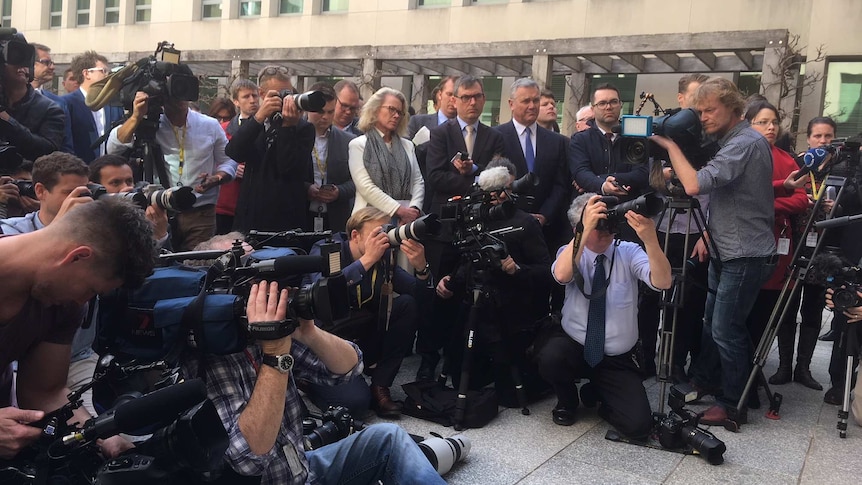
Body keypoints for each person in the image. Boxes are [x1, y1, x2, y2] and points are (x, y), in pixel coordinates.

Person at [180, 280, 445, 484]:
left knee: (388, 437)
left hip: (299, 469)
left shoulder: (258, 336)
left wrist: (308, 332)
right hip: (269, 479)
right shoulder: (206, 358)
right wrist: (276, 354)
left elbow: (350, 368)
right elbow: (250, 456)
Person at [650, 77, 776, 427]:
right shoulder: (732, 140)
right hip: (727, 247)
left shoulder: (746, 142)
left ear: (733, 109)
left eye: (710, 110)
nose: (703, 117)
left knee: (726, 328)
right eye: (699, 110)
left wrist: (668, 143)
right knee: (712, 323)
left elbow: (694, 185)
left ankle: (733, 402)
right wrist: (708, 234)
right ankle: (708, 380)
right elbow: (725, 195)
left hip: (744, 253)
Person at [0, 195, 157, 460]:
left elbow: (44, 392)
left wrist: (102, 438)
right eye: (90, 290)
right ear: (78, 257)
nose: (84, 301)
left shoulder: (63, 305)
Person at [536, 193, 671, 438]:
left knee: (638, 426)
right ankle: (567, 400)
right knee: (549, 356)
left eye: (608, 223)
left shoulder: (627, 252)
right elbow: (562, 276)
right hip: (575, 345)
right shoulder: (570, 250)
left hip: (617, 357)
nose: (606, 230)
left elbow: (662, 282)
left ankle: (599, 393)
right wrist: (584, 231)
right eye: (598, 226)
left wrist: (650, 240)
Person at [435, 160, 553, 405]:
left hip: (512, 312)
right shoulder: (472, 218)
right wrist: (449, 280)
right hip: (476, 307)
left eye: (503, 190)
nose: (497, 198)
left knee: (511, 396)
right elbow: (463, 256)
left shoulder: (525, 222)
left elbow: (546, 272)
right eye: (490, 193)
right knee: (464, 382)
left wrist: (517, 270)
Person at [304, 207, 434, 417]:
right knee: (356, 404)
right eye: (377, 233)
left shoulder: (384, 259)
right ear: (355, 235)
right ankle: (308, 380)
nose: (383, 238)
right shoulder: (327, 250)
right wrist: (366, 262)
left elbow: (421, 299)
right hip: (326, 342)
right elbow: (319, 294)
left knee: (407, 305)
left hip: (361, 337)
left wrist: (422, 269)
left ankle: (380, 385)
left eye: (387, 231)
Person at [106, 64, 238, 251]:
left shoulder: (209, 125)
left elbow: (228, 160)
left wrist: (218, 178)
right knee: (159, 260)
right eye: (174, 87)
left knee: (196, 264)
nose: (180, 96)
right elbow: (113, 148)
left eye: (184, 87)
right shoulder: (149, 124)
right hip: (159, 209)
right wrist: (136, 117)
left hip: (200, 212)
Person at [638, 73, 711, 381]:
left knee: (690, 302)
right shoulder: (662, 131)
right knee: (650, 296)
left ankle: (677, 361)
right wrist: (666, 172)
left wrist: (709, 233)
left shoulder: (711, 139)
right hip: (660, 227)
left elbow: (719, 191)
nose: (699, 108)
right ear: (681, 99)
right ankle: (643, 357)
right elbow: (645, 177)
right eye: (694, 99)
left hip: (698, 227)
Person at [739, 101, 814, 391]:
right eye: (762, 122)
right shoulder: (741, 155)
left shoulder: (786, 158)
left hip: (778, 241)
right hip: (743, 243)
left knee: (766, 311)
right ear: (748, 124)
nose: (771, 127)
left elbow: (801, 200)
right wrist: (776, 200)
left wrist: (766, 205)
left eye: (774, 122)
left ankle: (755, 367)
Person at [225, 65, 314, 233]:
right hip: (250, 217)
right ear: (262, 94)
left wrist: (288, 127)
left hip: (286, 220)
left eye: (288, 94)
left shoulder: (303, 128)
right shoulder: (253, 124)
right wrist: (259, 117)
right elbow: (233, 152)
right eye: (278, 95)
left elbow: (287, 167)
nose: (284, 100)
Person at [348, 87, 424, 225]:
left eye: (400, 112)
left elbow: (418, 181)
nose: (396, 115)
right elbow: (366, 187)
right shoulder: (358, 145)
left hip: (406, 222)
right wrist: (399, 210)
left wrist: (413, 210)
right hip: (369, 221)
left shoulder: (408, 145)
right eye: (391, 109)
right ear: (375, 109)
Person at [569, 83, 649, 203]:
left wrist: (604, 180)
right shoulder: (580, 140)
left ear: (620, 105)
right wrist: (603, 186)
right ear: (593, 109)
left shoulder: (635, 138)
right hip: (590, 207)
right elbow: (580, 172)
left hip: (629, 208)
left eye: (613, 102)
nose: (608, 107)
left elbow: (642, 174)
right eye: (602, 103)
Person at [0, 34, 66, 162]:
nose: (21, 65)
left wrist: (7, 120)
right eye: (14, 57)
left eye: (24, 58)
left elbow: (49, 152)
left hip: (28, 178)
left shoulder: (49, 109)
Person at [305, 82, 356, 233]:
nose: (325, 117)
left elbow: (357, 181)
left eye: (330, 112)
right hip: (300, 214)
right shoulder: (294, 136)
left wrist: (339, 191)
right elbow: (284, 176)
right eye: (320, 112)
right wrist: (306, 188)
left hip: (336, 218)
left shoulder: (348, 140)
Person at [63, 51, 124, 164]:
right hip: (80, 170)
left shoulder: (114, 104)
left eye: (109, 72)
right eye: (103, 71)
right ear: (86, 73)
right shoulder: (67, 103)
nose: (108, 75)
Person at [215, 79, 259, 235]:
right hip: (227, 204)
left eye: (255, 95)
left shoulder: (268, 128)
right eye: (246, 96)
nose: (252, 100)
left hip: (255, 204)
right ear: (236, 101)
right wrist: (232, 168)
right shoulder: (222, 129)